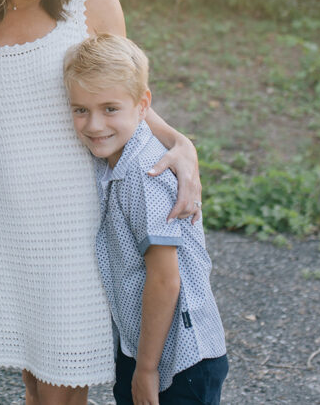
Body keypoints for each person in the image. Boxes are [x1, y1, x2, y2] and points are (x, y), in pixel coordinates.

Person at [0, 0, 203, 405]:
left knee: (61, 391)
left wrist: (178, 143)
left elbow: (126, 101)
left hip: (74, 224)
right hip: (7, 222)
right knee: (35, 383)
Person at [63, 34, 228, 405]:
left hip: (182, 359)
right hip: (144, 346)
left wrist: (147, 369)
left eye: (110, 109)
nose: (94, 125)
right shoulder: (114, 157)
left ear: (142, 106)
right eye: (80, 110)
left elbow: (166, 278)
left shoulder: (144, 173)